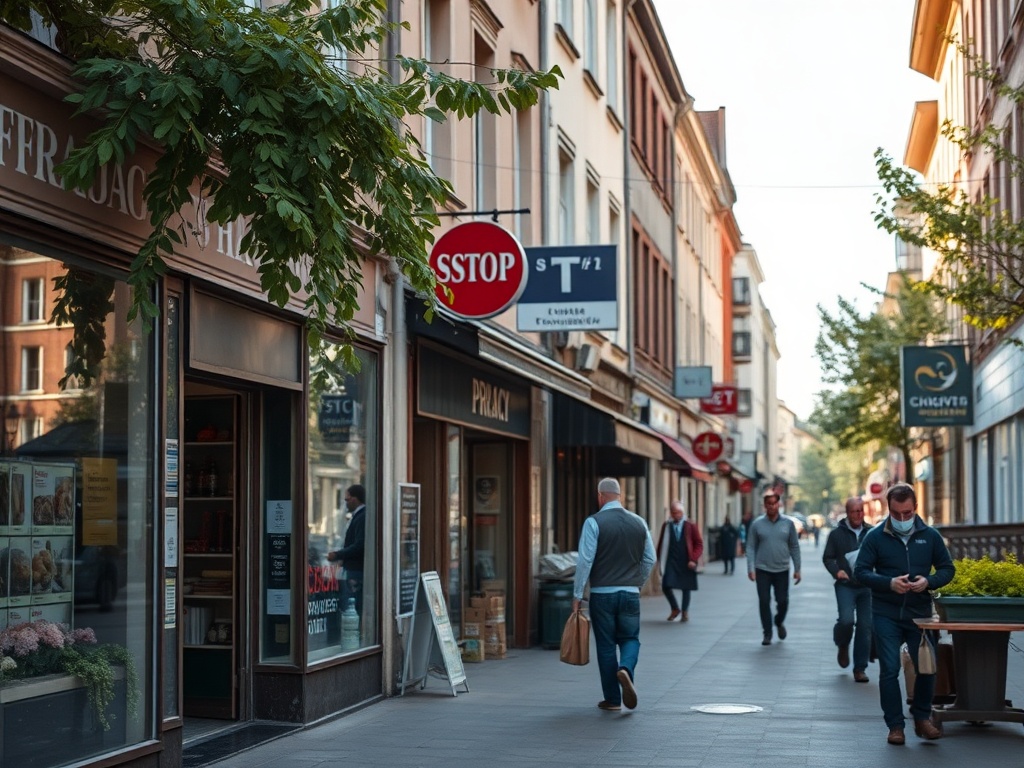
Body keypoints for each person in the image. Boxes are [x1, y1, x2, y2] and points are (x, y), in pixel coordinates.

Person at [854, 482, 954, 746]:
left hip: (919, 615)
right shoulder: (875, 536)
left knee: (927, 667)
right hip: (885, 613)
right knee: (889, 670)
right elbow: (860, 571)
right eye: (896, 513)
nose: (901, 519)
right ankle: (895, 726)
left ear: (915, 508)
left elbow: (947, 569)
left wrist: (928, 581)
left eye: (907, 513)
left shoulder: (930, 536)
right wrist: (889, 583)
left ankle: (922, 718)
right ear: (889, 509)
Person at [572, 477, 656, 712]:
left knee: (606, 645)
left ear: (600, 496)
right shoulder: (639, 522)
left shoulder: (593, 522)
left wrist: (577, 594)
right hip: (630, 594)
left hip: (602, 594)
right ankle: (626, 668)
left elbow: (585, 561)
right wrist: (637, 583)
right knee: (630, 639)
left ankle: (612, 700)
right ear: (619, 496)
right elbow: (650, 559)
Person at [822, 497, 873, 682]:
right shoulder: (836, 534)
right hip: (845, 585)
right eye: (854, 511)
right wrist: (837, 571)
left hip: (867, 586)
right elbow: (828, 558)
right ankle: (842, 644)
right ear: (847, 513)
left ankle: (860, 668)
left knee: (865, 626)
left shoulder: (871, 532)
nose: (858, 515)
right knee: (846, 620)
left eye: (860, 510)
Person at [746, 488, 801, 645]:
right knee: (764, 601)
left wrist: (797, 568)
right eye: (769, 504)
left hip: (782, 569)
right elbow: (750, 547)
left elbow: (794, 546)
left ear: (779, 504)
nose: (772, 506)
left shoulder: (788, 524)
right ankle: (767, 633)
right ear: (765, 506)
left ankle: (778, 621)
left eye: (774, 503)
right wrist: (750, 568)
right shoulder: (757, 524)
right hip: (762, 569)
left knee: (783, 601)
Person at [655, 501, 704, 621]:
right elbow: (661, 543)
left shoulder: (690, 525)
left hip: (686, 560)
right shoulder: (667, 525)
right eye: (673, 512)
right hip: (671, 560)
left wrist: (693, 559)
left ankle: (685, 612)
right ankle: (675, 608)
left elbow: (699, 544)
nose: (675, 515)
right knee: (666, 585)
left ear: (682, 512)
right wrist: (658, 558)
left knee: (686, 587)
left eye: (677, 512)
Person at [327, 484, 367, 616]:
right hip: (354, 569)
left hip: (356, 570)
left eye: (347, 499)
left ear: (355, 499)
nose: (346, 503)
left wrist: (338, 555)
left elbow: (359, 545)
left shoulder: (361, 516)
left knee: (354, 606)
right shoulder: (359, 516)